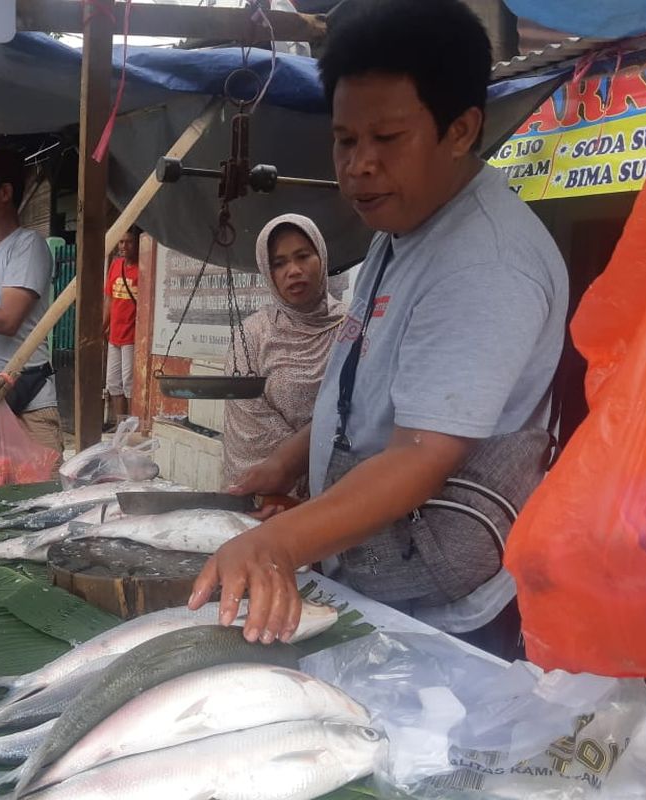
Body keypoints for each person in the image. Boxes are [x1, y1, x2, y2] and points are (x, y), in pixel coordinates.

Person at [189, 0, 569, 660]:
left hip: (448, 618)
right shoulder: (399, 232)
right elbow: (369, 393)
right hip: (378, 580)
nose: (359, 164)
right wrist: (287, 461)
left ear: (461, 129)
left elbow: (420, 455)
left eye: (387, 140)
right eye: (345, 139)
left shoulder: (484, 264)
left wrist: (277, 543)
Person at [221, 215, 344, 493]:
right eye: (279, 263)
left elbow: (362, 414)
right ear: (268, 271)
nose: (294, 270)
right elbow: (248, 425)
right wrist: (292, 471)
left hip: (339, 496)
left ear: (321, 258)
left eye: (303, 256)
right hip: (270, 500)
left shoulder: (352, 329)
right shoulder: (252, 335)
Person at [0, 148, 63, 454]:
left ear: (4, 192)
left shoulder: (27, 245)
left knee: (42, 497)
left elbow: (7, 320)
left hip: (29, 405)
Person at [103, 226, 141, 424]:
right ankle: (120, 426)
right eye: (121, 241)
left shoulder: (141, 268)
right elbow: (109, 299)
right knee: (113, 383)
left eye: (129, 242)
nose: (124, 246)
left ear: (137, 244)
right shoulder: (115, 265)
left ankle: (131, 427)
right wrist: (103, 325)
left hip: (132, 336)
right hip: (114, 336)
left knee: (129, 384)